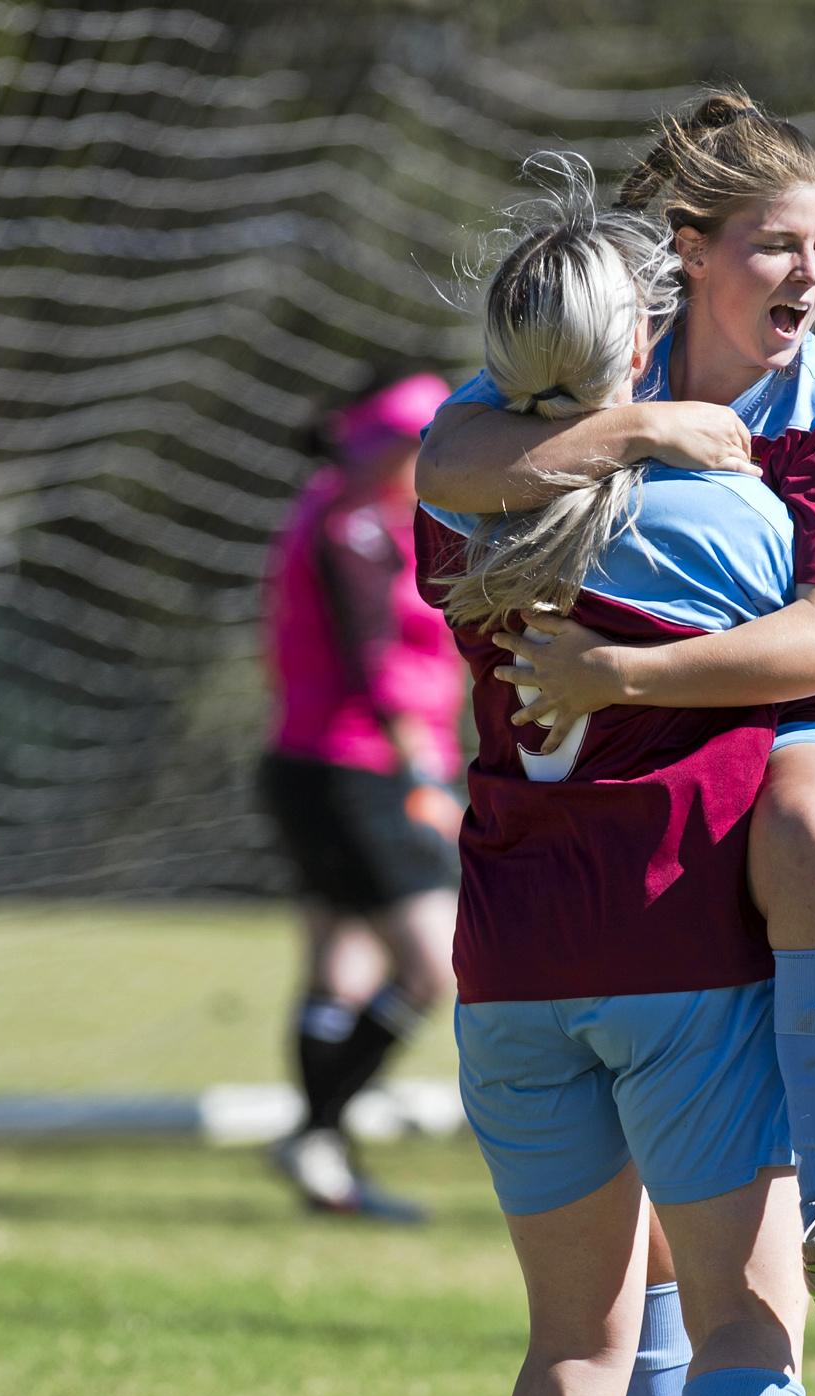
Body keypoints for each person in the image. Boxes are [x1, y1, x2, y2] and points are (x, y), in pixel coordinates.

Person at [422, 162, 815, 1396]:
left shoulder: (462, 508)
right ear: (645, 342)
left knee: (573, 1341)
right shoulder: (730, 512)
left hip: (503, 975)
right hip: (674, 957)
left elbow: (461, 457)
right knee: (750, 1323)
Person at [419, 89, 815, 1322]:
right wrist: (639, 427)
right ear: (691, 254)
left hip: (782, 724)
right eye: (779, 244)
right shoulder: (595, 344)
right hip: (607, 782)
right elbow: (447, 468)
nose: (811, 273)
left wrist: (625, 673)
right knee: (619, 1269)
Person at [260, 370, 464, 1223]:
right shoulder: (351, 526)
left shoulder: (342, 514)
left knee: (341, 970)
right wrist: (424, 774)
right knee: (431, 966)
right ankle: (316, 1132)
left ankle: (323, 1161)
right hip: (363, 769)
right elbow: (370, 660)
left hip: (319, 764)